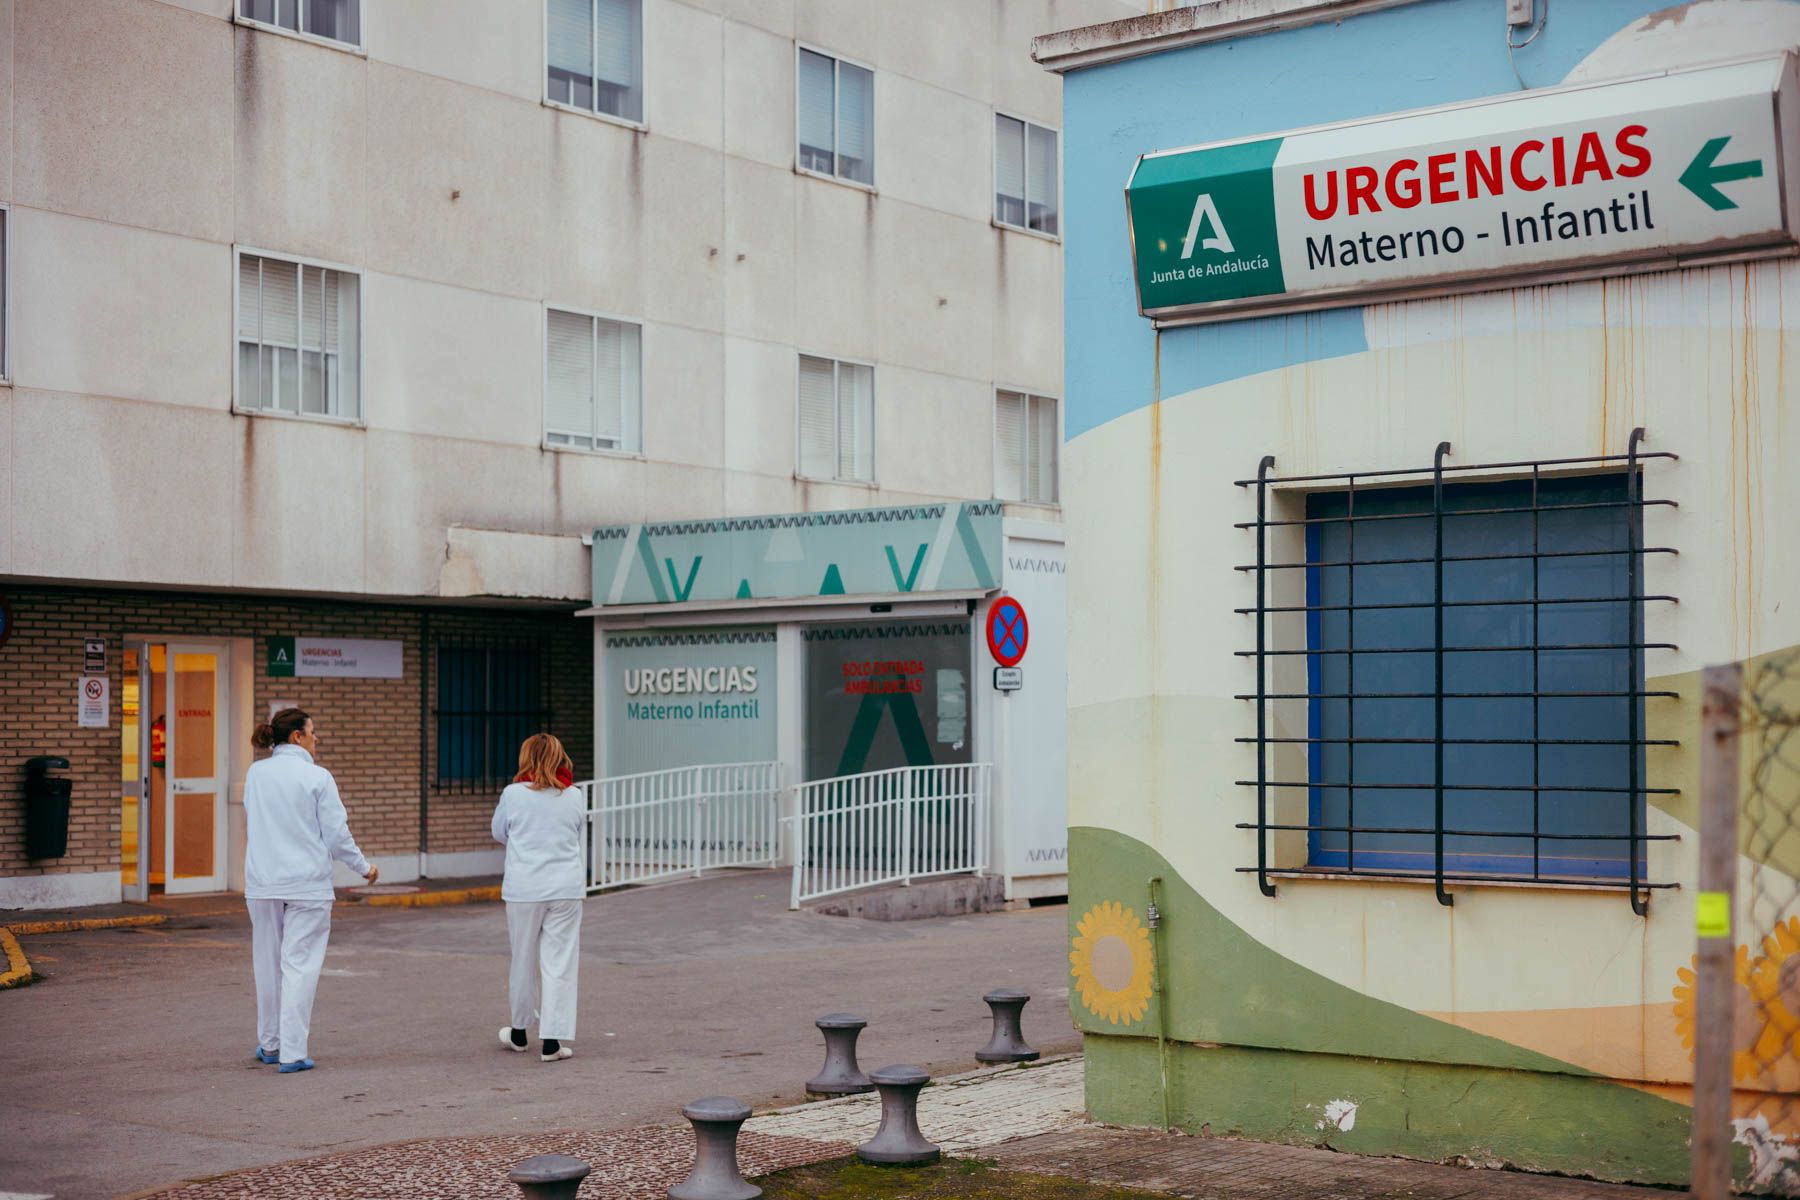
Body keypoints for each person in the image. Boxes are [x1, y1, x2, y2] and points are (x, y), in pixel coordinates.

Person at [243, 707, 377, 1074]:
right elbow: (336, 835)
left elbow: (253, 820)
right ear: (297, 737)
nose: (317, 739)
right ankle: (293, 1052)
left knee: (267, 963)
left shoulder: (256, 773)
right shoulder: (317, 777)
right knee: (299, 966)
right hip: (306, 884)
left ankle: (270, 1044)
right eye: (313, 732)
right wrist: (364, 867)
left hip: (262, 881)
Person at [491, 733, 587, 1063]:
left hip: (524, 888)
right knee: (558, 963)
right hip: (565, 888)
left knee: (522, 957)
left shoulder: (513, 794)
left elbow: (499, 832)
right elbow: (576, 834)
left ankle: (519, 1032)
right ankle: (552, 1040)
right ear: (560, 758)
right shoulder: (574, 795)